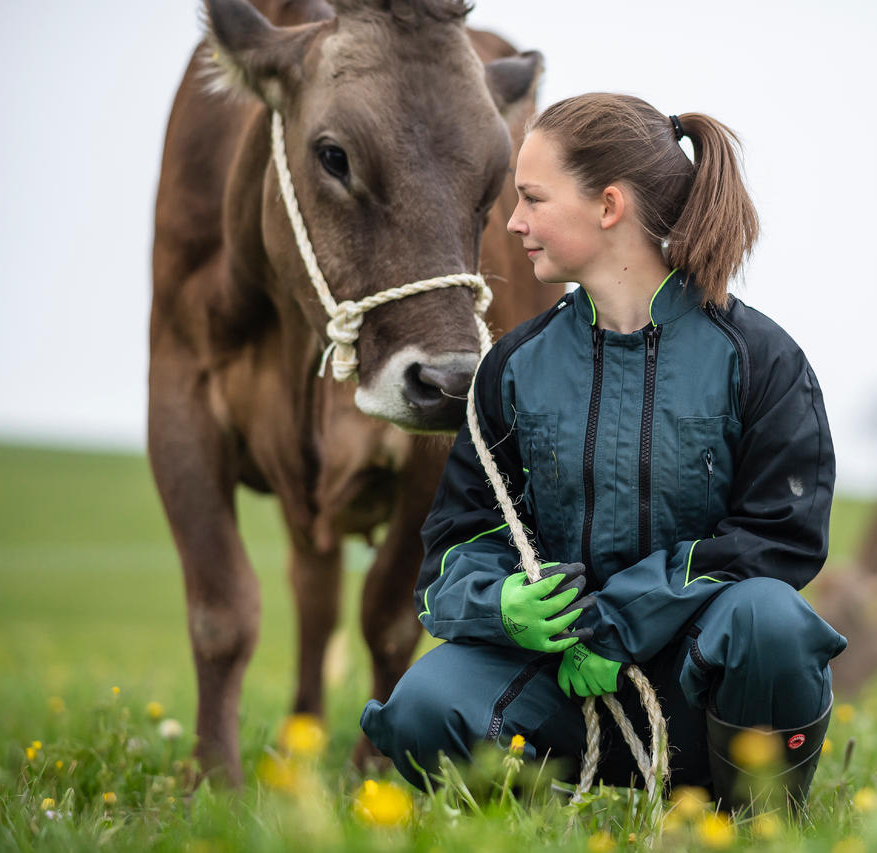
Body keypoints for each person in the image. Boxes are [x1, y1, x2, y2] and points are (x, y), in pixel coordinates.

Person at [360, 93, 847, 811]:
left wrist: (617, 621)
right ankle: (529, 819)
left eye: (530, 198)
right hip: (556, 690)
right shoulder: (512, 367)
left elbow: (782, 540)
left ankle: (752, 818)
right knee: (424, 704)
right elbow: (449, 557)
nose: (514, 222)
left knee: (769, 621)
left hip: (701, 695)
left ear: (609, 205)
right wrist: (502, 603)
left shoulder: (762, 360)